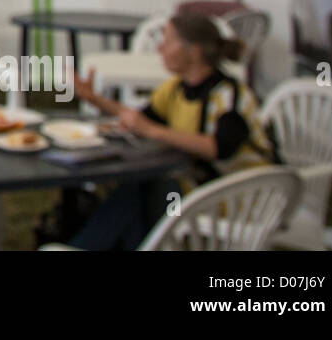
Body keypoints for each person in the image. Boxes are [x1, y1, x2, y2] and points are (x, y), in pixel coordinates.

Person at [69, 13, 275, 250]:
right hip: (201, 188)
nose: (159, 49)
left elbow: (220, 147)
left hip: (242, 197)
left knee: (142, 190)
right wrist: (95, 100)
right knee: (139, 193)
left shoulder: (231, 97)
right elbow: (139, 119)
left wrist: (154, 131)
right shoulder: (175, 89)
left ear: (194, 51)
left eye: (167, 42)